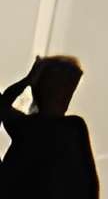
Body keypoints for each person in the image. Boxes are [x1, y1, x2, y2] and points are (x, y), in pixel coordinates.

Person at [0, 56, 99, 197]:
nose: (66, 97)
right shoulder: (30, 126)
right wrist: (28, 81)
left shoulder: (73, 127)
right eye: (64, 88)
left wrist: (27, 81)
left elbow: (88, 183)